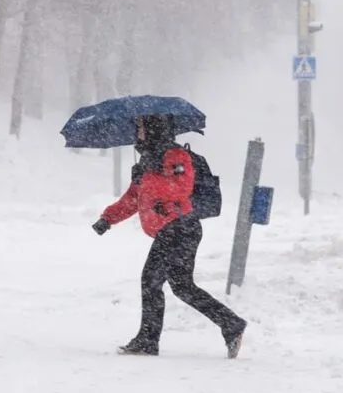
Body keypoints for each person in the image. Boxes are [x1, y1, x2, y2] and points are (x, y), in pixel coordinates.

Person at [91, 114, 247, 358]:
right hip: (172, 231)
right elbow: (133, 199)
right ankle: (231, 324)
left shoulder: (176, 156)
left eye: (141, 127)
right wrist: (108, 218)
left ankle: (147, 340)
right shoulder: (147, 161)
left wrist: (149, 177)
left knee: (151, 281)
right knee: (182, 287)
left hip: (181, 228)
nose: (138, 132)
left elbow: (181, 188)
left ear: (155, 128)